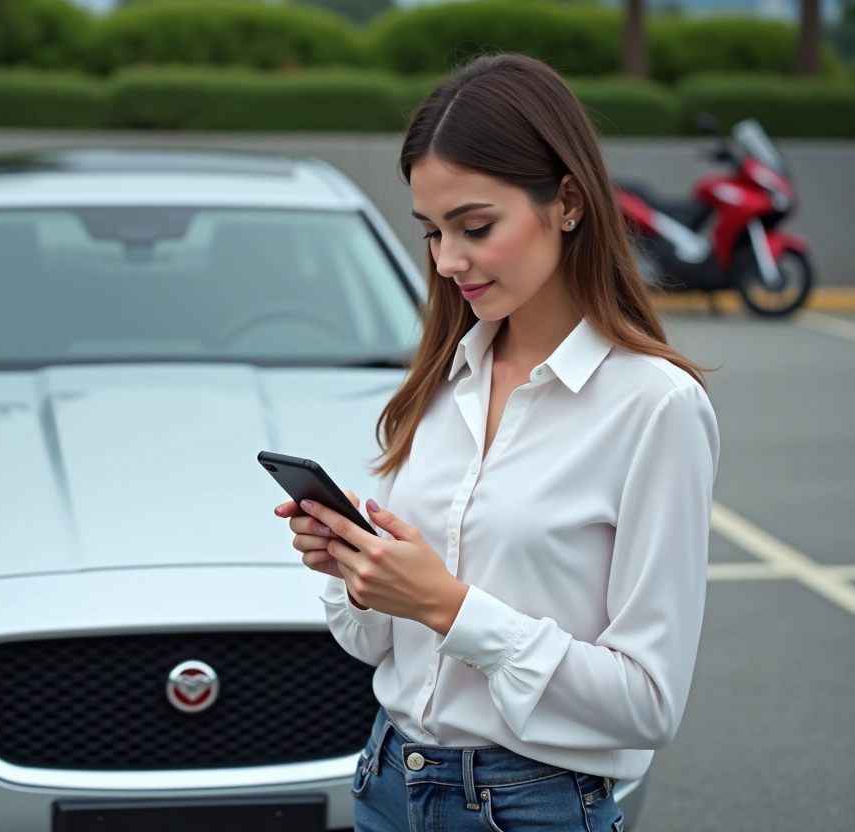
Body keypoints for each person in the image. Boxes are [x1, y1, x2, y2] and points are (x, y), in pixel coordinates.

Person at [274, 53, 720, 832]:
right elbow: (375, 647)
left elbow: (649, 704)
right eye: (432, 232)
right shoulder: (442, 379)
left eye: (475, 227)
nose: (448, 261)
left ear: (568, 202)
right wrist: (360, 575)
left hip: (530, 807)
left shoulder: (656, 406)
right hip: (386, 781)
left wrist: (446, 605)